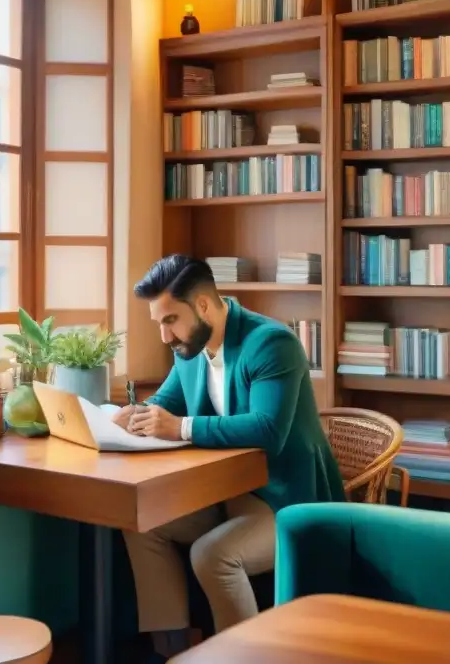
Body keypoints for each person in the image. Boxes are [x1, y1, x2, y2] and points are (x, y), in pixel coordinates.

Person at [117, 254, 345, 659]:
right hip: (224, 493)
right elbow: (166, 404)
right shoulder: (190, 349)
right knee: (144, 523)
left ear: (203, 305)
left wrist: (181, 427)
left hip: (286, 502)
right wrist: (129, 416)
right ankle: (173, 650)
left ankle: (242, 657)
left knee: (212, 556)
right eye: (159, 324)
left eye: (170, 320)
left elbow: (266, 430)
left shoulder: (272, 344)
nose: (165, 336)